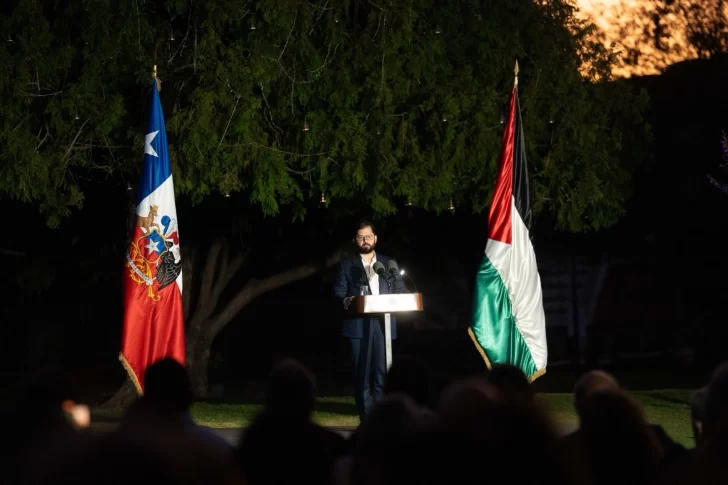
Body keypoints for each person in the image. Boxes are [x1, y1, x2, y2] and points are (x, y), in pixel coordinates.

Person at [333, 220, 407, 422]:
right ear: (355, 240)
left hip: (384, 324)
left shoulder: (388, 263)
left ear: (375, 238)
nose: (365, 240)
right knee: (362, 375)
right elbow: (339, 294)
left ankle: (383, 420)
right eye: (360, 237)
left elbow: (401, 290)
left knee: (383, 374)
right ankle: (366, 421)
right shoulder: (347, 265)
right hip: (358, 326)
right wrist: (348, 300)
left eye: (368, 236)